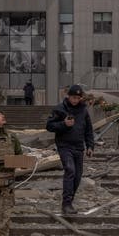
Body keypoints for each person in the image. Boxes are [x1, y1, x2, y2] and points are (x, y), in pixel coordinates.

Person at [45, 85, 94, 215]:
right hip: (64, 146)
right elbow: (49, 126)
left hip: (79, 147)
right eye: (73, 97)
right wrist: (63, 124)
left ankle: (69, 202)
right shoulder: (60, 109)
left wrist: (90, 146)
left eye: (78, 98)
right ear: (68, 96)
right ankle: (66, 204)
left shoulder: (84, 111)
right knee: (70, 170)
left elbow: (88, 130)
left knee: (77, 176)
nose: (75, 100)